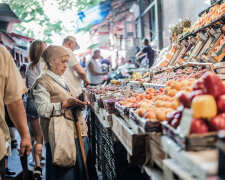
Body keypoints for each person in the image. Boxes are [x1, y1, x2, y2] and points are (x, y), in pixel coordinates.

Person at [32, 45, 98, 180]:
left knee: (82, 172)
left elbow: (71, 96)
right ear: (51, 62)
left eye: (67, 62)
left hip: (76, 133)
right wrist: (66, 104)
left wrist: (80, 99)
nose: (66, 65)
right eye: (63, 61)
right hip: (61, 138)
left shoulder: (62, 79)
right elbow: (43, 109)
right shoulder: (42, 82)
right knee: (66, 173)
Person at [0, 45, 32, 180]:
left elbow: (14, 100)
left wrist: (25, 135)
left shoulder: (2, 53)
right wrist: (25, 134)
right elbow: (14, 99)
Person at [25, 40, 46, 179]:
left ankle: (37, 164)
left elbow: (27, 88)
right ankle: (44, 159)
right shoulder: (46, 65)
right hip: (44, 100)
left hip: (31, 101)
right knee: (43, 136)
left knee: (35, 136)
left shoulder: (28, 67)